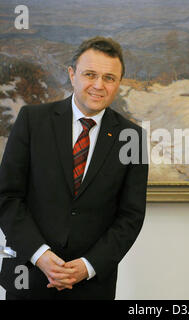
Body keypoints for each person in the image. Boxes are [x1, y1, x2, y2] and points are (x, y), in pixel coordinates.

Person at [0, 36, 148, 300]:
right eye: (90, 74)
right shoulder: (32, 122)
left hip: (91, 286)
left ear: (119, 83)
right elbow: (7, 197)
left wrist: (87, 266)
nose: (99, 85)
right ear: (72, 75)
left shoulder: (132, 137)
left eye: (109, 78)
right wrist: (41, 256)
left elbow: (130, 217)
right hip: (28, 278)